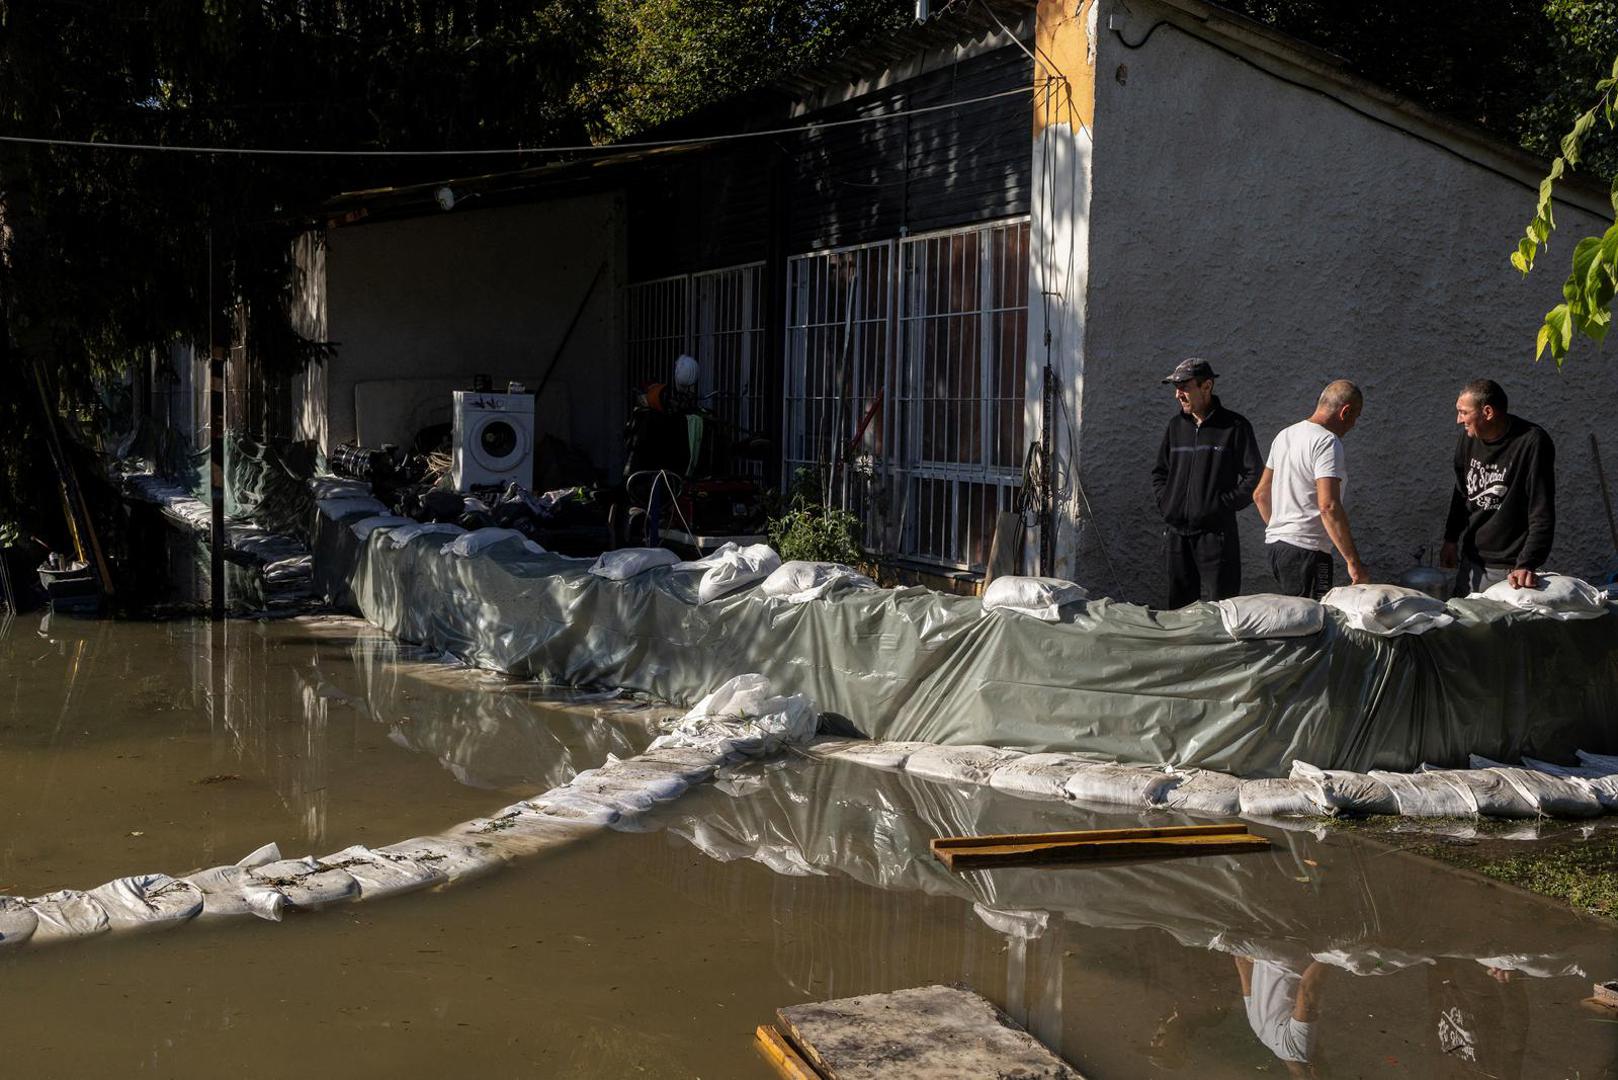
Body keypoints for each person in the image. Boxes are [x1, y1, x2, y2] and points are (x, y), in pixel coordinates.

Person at [1150, 357, 1263, 607]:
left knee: (1222, 608)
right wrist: (1167, 502)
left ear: (1207, 386)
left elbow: (1255, 474)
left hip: (1216, 536)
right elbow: (1160, 472)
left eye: (1184, 387)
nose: (1178, 394)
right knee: (1179, 610)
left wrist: (1221, 505)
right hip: (1177, 534)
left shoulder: (1234, 427)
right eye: (1175, 388)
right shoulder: (1175, 427)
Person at [1253, 380, 1368, 597]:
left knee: (1295, 620)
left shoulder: (1284, 435)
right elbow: (1328, 505)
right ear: (1345, 412)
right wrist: (1354, 563)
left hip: (1278, 549)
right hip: (1309, 553)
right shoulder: (1327, 442)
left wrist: (1285, 529)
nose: (1354, 424)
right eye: (1356, 417)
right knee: (1313, 623)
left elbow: (1260, 495)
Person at [1439, 379, 1554, 595]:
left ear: (1488, 412)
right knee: (1465, 624)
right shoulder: (1468, 439)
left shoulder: (1531, 442)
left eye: (1463, 413)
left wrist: (1526, 563)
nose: (1458, 420)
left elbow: (1542, 509)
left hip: (1511, 568)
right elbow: (1461, 492)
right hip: (1472, 561)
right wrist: (1451, 538)